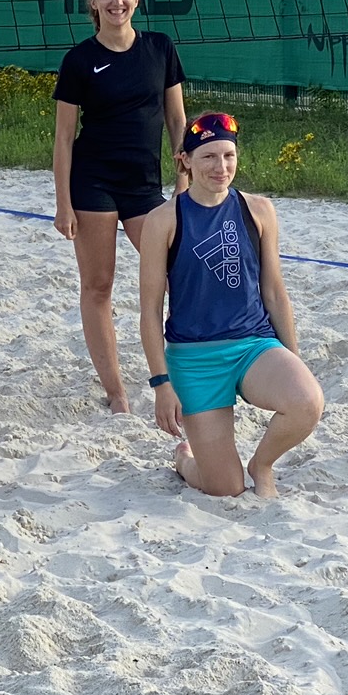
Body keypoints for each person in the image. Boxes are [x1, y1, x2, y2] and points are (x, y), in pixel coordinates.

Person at [138, 112, 325, 499]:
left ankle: (263, 463)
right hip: (194, 357)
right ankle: (185, 459)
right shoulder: (163, 220)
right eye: (208, 157)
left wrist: (291, 356)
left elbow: (274, 291)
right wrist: (161, 383)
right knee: (225, 487)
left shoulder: (258, 210)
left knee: (307, 401)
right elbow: (150, 310)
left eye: (228, 155)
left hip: (253, 344)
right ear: (185, 161)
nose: (220, 167)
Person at [52, 0, 187, 413]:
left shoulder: (160, 48)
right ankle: (116, 392)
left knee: (177, 276)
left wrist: (183, 178)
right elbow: (64, 139)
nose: (117, 1)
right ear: (93, 2)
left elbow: (176, 119)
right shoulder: (79, 60)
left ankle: (185, 370)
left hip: (144, 183)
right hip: (93, 182)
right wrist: (63, 204)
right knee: (98, 285)